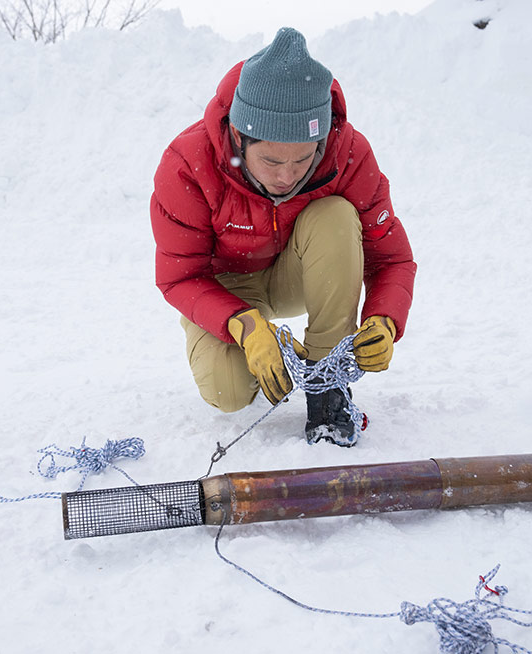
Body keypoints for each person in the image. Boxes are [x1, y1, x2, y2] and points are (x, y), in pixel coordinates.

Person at [150, 27, 415, 446]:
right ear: (239, 136)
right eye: (271, 161)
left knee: (335, 216)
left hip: (301, 271)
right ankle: (259, 354)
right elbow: (179, 277)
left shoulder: (347, 153)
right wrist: (243, 324)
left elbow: (391, 258)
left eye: (302, 159)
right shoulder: (187, 164)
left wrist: (385, 319)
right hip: (226, 286)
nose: (286, 177)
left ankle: (327, 384)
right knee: (227, 392)